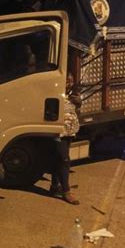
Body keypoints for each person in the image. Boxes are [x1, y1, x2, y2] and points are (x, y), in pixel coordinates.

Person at [50, 72, 81, 205]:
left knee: (59, 158)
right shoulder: (56, 94)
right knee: (64, 159)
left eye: (71, 81)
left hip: (70, 131)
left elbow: (76, 110)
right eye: (67, 81)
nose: (69, 84)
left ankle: (54, 185)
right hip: (59, 132)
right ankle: (66, 191)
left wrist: (78, 102)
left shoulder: (73, 96)